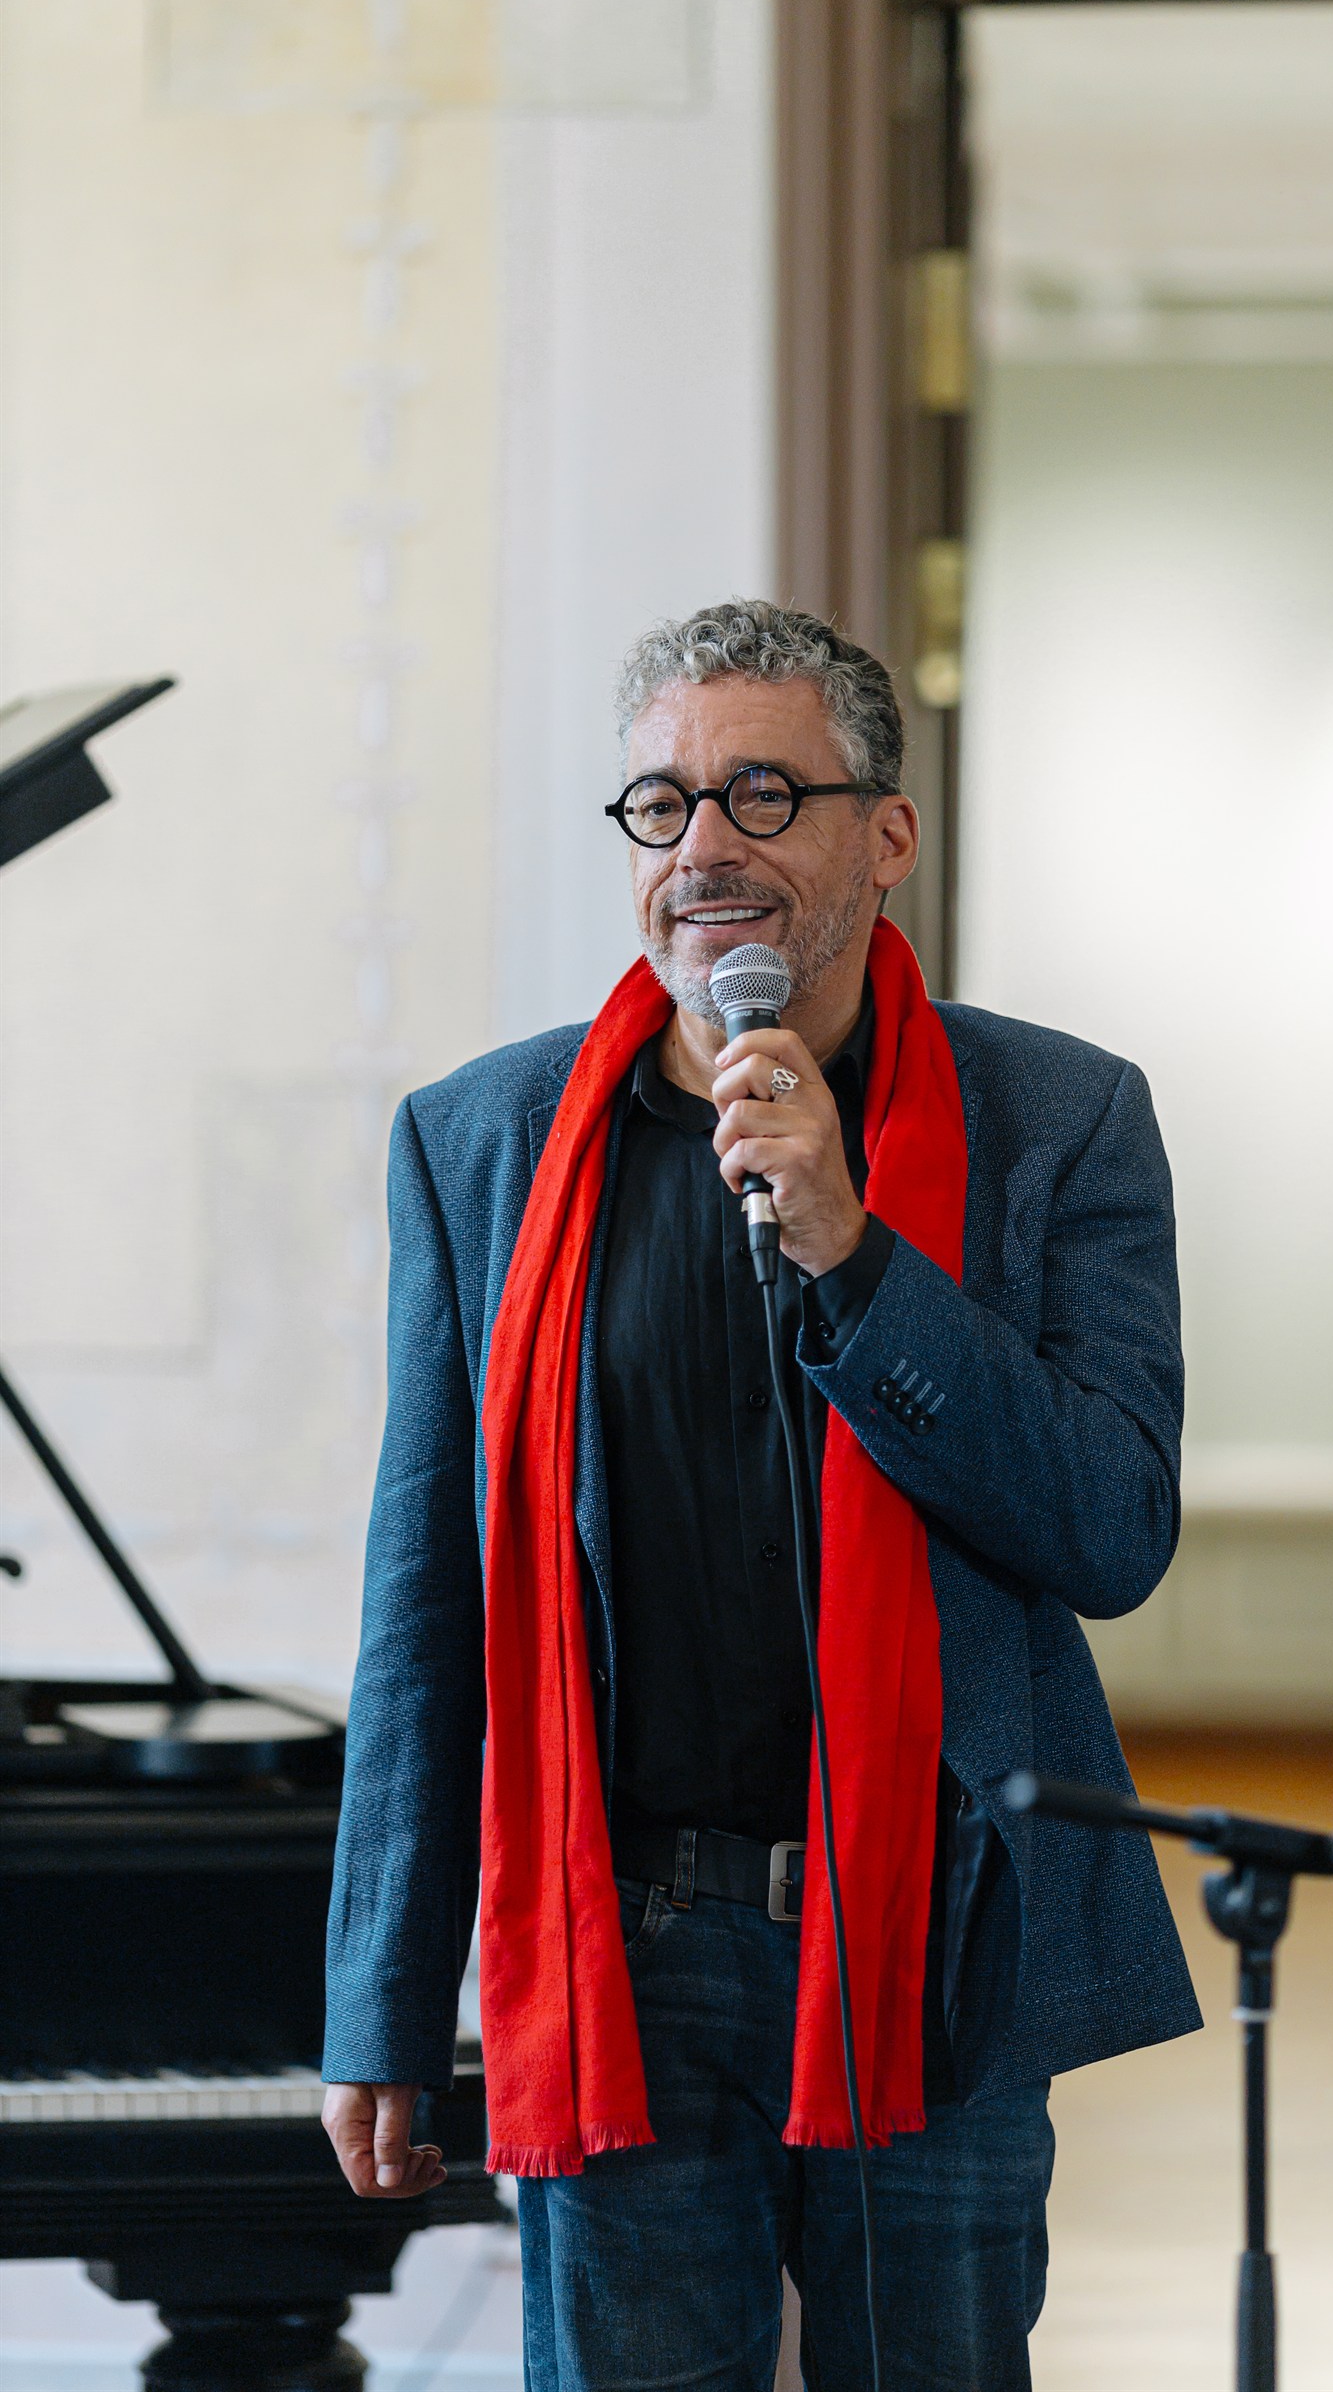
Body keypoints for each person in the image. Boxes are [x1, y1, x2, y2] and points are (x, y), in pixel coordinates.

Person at [322, 601, 1199, 2389]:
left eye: (764, 795)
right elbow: (425, 1600)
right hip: (622, 1949)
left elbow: (1111, 1529)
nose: (705, 846)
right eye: (662, 804)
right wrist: (382, 1995)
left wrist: (855, 1254)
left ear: (888, 835)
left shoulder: (1061, 1121)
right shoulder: (481, 1144)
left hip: (934, 1939)